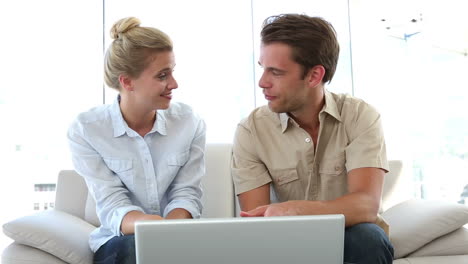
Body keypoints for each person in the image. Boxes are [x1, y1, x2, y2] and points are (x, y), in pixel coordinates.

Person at [231, 14, 394, 264]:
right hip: (285, 240)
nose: (262, 82)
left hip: (352, 237)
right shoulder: (251, 130)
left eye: (275, 72)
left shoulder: (360, 116)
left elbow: (365, 206)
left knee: (368, 237)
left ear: (314, 76)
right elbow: (257, 223)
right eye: (262, 68)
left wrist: (295, 209)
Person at [67, 17, 206, 264]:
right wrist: (154, 230)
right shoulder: (86, 130)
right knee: (134, 248)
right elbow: (112, 205)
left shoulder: (189, 122)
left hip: (178, 236)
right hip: (120, 243)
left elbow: (186, 194)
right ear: (127, 81)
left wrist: (167, 234)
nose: (174, 83)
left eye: (172, 71)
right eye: (163, 75)